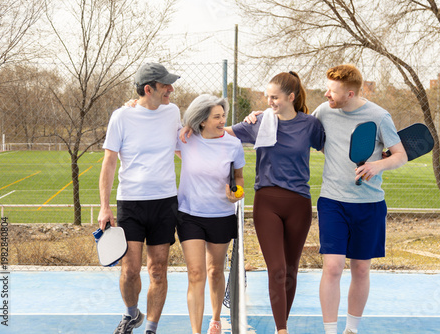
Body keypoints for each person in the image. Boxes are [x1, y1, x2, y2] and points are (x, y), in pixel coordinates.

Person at [183, 71, 325, 333]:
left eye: (275, 97)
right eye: (267, 96)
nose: (269, 101)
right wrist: (190, 126)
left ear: (291, 97)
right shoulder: (259, 122)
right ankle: (282, 329)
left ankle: (281, 323)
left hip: (300, 203)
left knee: (291, 270)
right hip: (267, 201)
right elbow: (218, 132)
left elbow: (331, 148)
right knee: (278, 268)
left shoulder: (310, 125)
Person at [312, 64, 407, 334]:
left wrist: (377, 166)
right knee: (332, 267)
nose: (327, 94)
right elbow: (305, 133)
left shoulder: (379, 116)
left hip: (369, 205)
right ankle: (330, 331)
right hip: (332, 202)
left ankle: (351, 329)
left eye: (332, 90)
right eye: (327, 88)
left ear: (350, 93)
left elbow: (400, 154)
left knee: (361, 270)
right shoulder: (323, 111)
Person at [98, 62, 182, 334]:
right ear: (149, 89)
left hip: (165, 202)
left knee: (158, 270)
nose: (171, 89)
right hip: (131, 203)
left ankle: (151, 328)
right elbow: (109, 162)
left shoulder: (173, 112)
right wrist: (104, 207)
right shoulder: (122, 117)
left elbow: (187, 147)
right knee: (130, 270)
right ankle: (131, 314)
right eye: (165, 85)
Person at [177, 94, 245, 334]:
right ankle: (196, 331)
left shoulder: (233, 145)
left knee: (215, 270)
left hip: (221, 215)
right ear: (201, 120)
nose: (222, 121)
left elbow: (238, 179)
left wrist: (235, 194)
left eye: (223, 116)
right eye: (216, 117)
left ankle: (215, 319)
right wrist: (133, 103)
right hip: (189, 215)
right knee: (196, 273)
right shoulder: (185, 139)